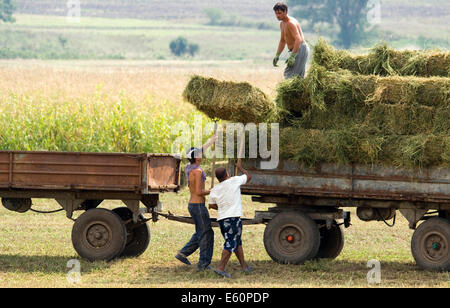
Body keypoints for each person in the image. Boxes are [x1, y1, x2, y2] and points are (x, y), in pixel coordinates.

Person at [175, 134, 217, 271]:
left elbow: (198, 151)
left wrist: (211, 141)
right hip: (198, 205)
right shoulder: (197, 171)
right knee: (206, 233)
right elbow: (199, 191)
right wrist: (211, 190)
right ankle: (203, 264)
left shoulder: (189, 167)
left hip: (193, 205)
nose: (202, 155)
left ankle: (183, 253)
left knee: (202, 231)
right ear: (197, 157)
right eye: (200, 154)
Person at [208, 160, 253, 278]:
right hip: (233, 218)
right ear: (227, 174)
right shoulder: (234, 181)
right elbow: (249, 177)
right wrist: (241, 168)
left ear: (218, 178)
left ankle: (244, 266)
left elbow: (211, 205)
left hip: (222, 220)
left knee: (237, 242)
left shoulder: (215, 189)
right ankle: (220, 268)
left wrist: (223, 207)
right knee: (230, 243)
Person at [272, 2, 309, 79]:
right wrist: (277, 55)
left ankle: (292, 91)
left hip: (300, 48)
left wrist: (292, 56)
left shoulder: (290, 23)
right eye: (276, 13)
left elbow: (298, 39)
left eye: (279, 13)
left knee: (290, 75)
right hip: (295, 50)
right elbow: (282, 41)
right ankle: (300, 91)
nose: (277, 16)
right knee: (296, 76)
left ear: (285, 11)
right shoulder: (282, 24)